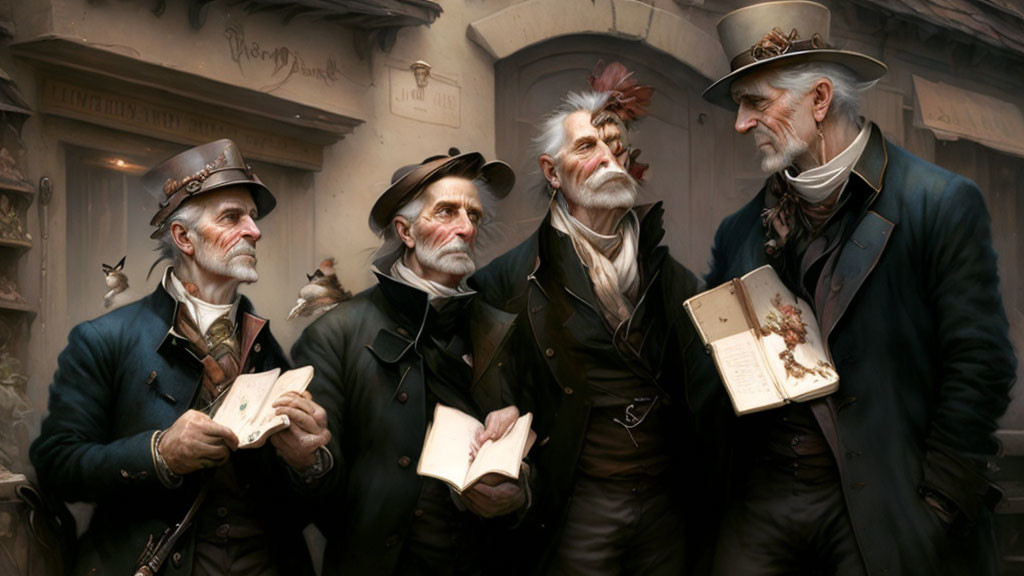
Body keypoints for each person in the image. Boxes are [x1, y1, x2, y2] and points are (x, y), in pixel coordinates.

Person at [701, 2, 1017, 575]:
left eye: (756, 102)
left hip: (885, 503)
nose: (741, 123)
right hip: (763, 502)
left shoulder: (939, 204)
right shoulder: (739, 231)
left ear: (819, 99)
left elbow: (981, 364)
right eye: (738, 105)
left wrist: (940, 503)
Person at [30, 139, 329, 576]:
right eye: (233, 216)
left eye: (252, 217)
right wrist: (160, 453)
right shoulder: (102, 339)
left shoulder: (266, 346)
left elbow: (298, 506)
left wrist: (310, 462)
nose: (254, 230)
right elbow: (56, 466)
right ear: (183, 237)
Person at [471, 63, 722, 575]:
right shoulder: (507, 280)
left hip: (667, 506)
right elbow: (492, 397)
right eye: (587, 147)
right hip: (575, 506)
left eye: (615, 148)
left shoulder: (676, 281)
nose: (609, 157)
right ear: (551, 171)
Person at [291, 149, 528, 576]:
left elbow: (548, 450)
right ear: (406, 231)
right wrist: (309, 461)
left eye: (474, 216)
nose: (466, 228)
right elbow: (309, 498)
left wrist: (522, 490)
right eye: (447, 212)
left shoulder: (503, 330)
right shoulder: (334, 335)